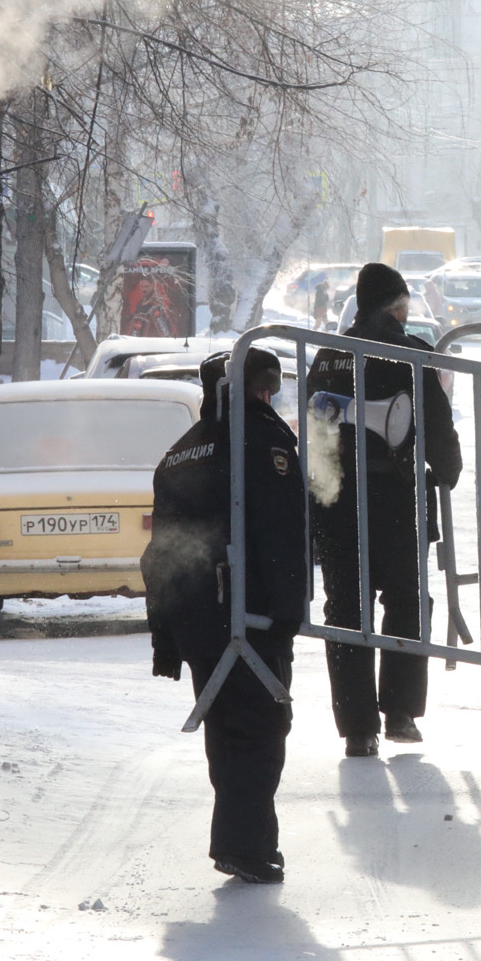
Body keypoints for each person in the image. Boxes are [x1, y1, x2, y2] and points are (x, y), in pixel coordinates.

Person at [143, 346, 306, 885]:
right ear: (244, 389)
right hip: (249, 611)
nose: (270, 397)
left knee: (229, 726)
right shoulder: (264, 440)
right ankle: (242, 846)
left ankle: (254, 841)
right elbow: (280, 532)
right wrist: (288, 609)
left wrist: (165, 637)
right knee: (260, 725)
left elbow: (159, 554)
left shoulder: (179, 453)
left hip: (195, 614)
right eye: (266, 387)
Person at [307, 263, 463, 758]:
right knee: (406, 600)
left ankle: (357, 728)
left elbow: (314, 436)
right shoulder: (412, 354)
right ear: (397, 307)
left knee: (345, 610)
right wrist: (448, 469)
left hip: (337, 503)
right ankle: (398, 713)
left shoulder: (328, 357)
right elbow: (438, 432)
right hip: (396, 499)